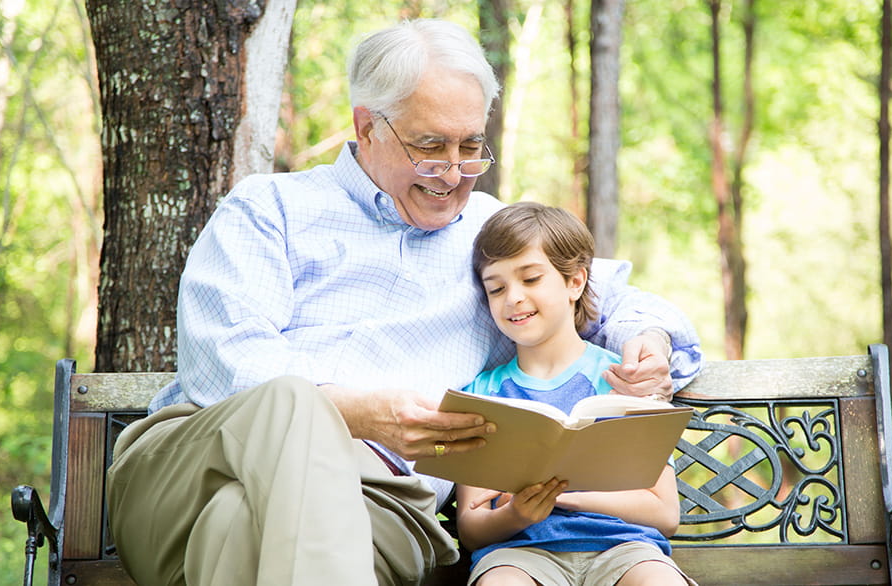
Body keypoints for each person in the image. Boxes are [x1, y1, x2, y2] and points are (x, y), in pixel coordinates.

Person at [105, 18, 702, 586]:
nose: (453, 172)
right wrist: (352, 412)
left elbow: (610, 294)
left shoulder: (496, 241)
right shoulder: (269, 210)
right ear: (367, 127)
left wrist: (641, 340)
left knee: (240, 524)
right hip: (194, 472)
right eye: (430, 146)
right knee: (289, 405)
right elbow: (224, 360)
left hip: (375, 502)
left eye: (471, 145)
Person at [455, 202, 697, 586]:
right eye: (496, 288)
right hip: (519, 556)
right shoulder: (482, 395)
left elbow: (665, 514)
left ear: (575, 282)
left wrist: (565, 496)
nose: (512, 297)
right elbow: (471, 528)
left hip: (625, 550)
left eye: (531, 279)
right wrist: (517, 514)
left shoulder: (627, 382)